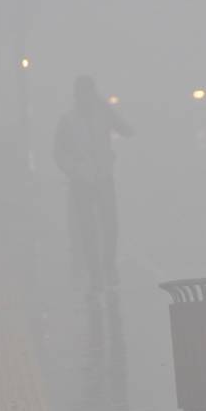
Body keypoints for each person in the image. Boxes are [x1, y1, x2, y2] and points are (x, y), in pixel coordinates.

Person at [54, 75, 134, 296]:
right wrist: (73, 170)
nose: (87, 98)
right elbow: (59, 152)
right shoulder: (68, 120)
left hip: (104, 178)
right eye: (83, 93)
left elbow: (127, 130)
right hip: (81, 182)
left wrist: (109, 109)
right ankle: (95, 274)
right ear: (77, 95)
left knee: (110, 226)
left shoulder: (104, 114)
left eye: (90, 93)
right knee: (88, 230)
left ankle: (108, 266)